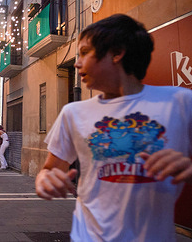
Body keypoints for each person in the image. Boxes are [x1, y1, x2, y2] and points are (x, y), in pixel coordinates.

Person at [34, 14, 192, 241]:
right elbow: (50, 169)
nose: (77, 63)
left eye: (85, 52)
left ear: (117, 53)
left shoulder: (181, 102)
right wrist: (45, 181)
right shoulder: (73, 113)